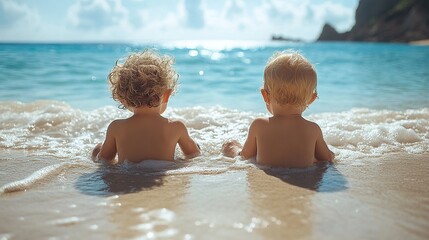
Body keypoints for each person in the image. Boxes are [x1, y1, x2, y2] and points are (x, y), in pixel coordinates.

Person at [222, 50, 334, 168]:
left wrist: (233, 149)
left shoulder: (259, 125)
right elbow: (328, 159)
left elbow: (244, 156)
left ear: (265, 96)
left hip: (268, 178)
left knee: (231, 145)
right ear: (311, 99)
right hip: (303, 177)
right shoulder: (313, 129)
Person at [92, 50, 200, 164]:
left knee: (98, 149)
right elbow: (194, 154)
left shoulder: (116, 127)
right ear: (166, 95)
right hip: (162, 177)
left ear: (122, 99)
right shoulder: (177, 127)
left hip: (128, 178)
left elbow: (105, 159)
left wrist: (97, 151)